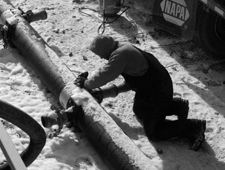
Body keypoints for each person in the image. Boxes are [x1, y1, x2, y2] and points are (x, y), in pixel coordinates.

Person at [78, 35, 207, 149]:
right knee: (139, 109)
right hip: (153, 85)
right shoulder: (123, 48)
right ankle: (178, 106)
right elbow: (132, 82)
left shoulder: (120, 56)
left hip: (158, 90)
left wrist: (86, 84)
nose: (100, 57)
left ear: (105, 50)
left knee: (155, 133)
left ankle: (194, 127)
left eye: (99, 53)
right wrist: (104, 93)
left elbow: (104, 75)